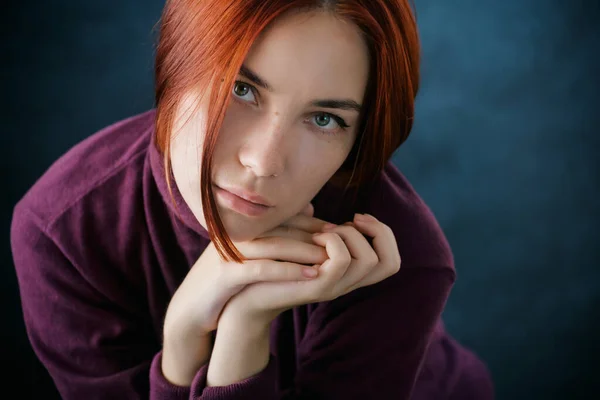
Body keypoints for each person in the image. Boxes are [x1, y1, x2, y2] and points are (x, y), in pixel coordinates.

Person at [10, 1, 495, 399]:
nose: (264, 162)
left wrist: (243, 324)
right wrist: (183, 345)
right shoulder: (63, 231)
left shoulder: (388, 255)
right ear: (176, 67)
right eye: (240, 89)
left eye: (324, 119)